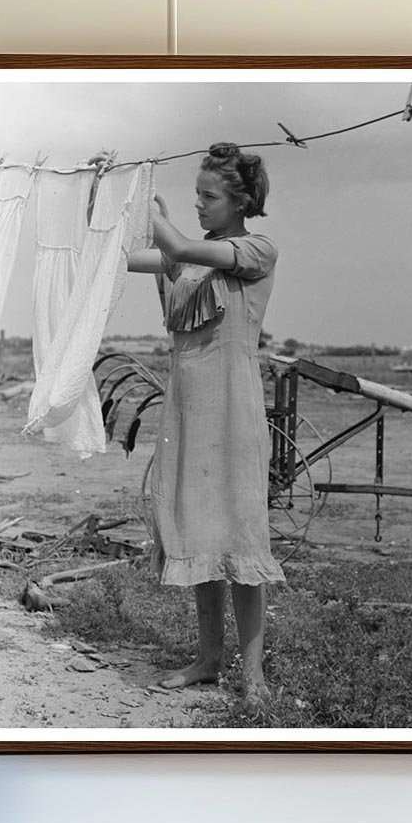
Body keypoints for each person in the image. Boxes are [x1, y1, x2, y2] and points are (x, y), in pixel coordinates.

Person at [125, 142, 284, 713]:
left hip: (233, 407)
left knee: (240, 531)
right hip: (189, 408)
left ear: (240, 200)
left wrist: (155, 213)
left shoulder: (255, 249)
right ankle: (209, 659)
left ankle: (255, 674)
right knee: (199, 528)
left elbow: (173, 244)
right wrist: (110, 199)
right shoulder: (189, 255)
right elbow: (129, 257)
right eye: (195, 195)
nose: (199, 204)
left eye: (209, 196)